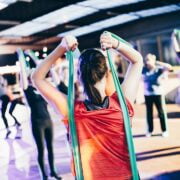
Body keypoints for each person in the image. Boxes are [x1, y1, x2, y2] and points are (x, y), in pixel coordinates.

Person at [32, 32, 143, 180]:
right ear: (107, 73)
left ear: (79, 77)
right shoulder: (122, 104)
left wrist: (62, 47)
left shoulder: (71, 111)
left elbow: (36, 78)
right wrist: (116, 44)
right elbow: (137, 60)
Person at [18, 58, 61, 180]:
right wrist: (21, 58)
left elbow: (44, 69)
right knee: (41, 150)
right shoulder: (28, 90)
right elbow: (23, 76)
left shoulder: (41, 88)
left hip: (48, 121)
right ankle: (44, 175)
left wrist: (36, 60)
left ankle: (53, 171)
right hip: (37, 123)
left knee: (51, 148)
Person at [142, 53, 172, 137]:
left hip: (158, 94)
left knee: (161, 113)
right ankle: (150, 130)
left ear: (153, 60)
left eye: (149, 60)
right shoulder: (144, 69)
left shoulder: (158, 69)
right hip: (147, 94)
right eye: (146, 60)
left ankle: (164, 130)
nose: (147, 62)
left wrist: (158, 62)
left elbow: (169, 67)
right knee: (149, 113)